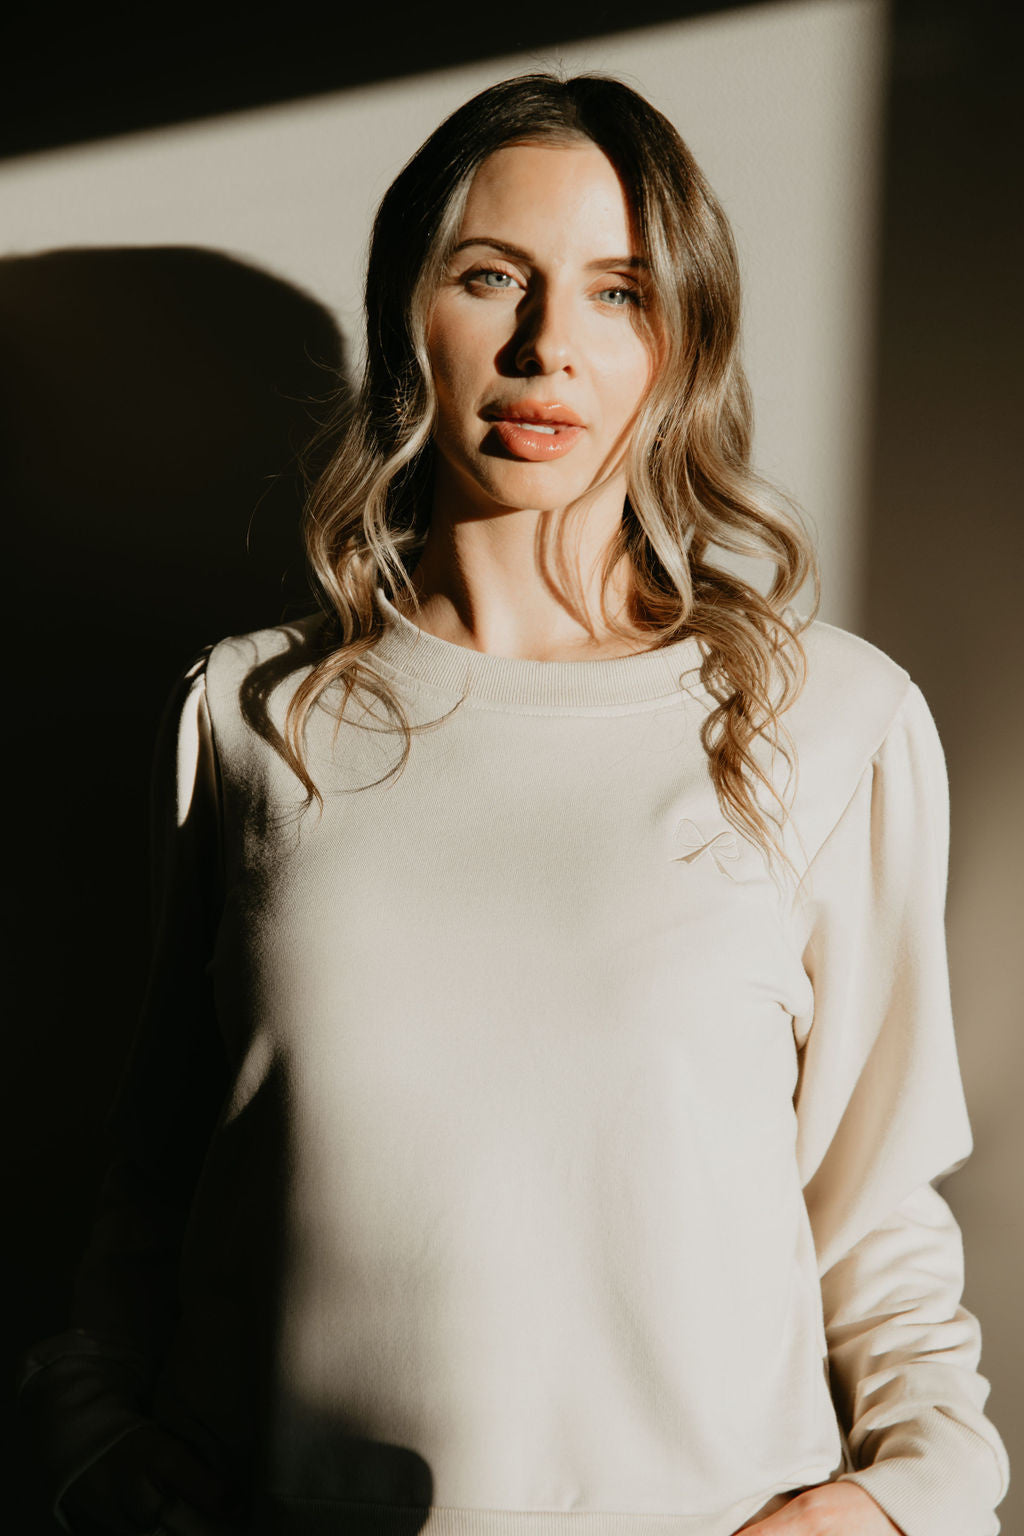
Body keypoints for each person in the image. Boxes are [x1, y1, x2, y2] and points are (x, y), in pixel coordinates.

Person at [18, 71, 1010, 1536]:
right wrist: (93, 1436)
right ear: (409, 312)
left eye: (618, 291)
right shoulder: (250, 715)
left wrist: (897, 1504)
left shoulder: (826, 718)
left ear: (681, 346)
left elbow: (878, 1225)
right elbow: (154, 1185)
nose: (550, 347)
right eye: (495, 277)